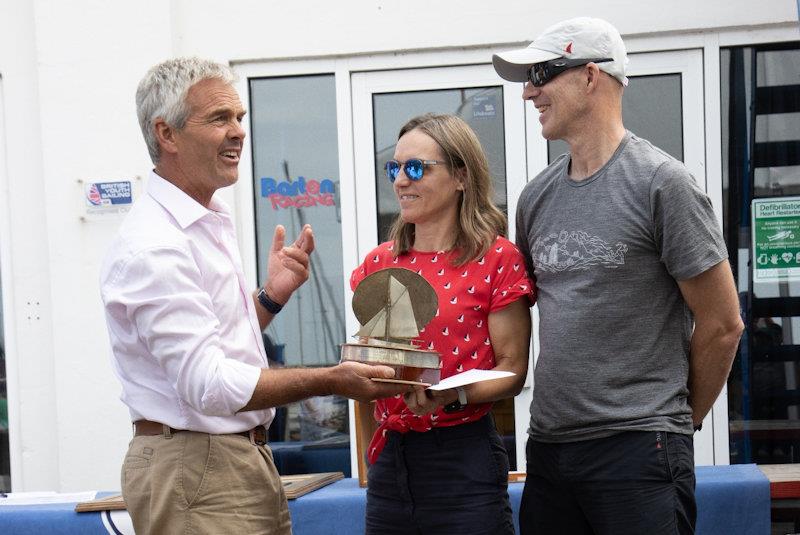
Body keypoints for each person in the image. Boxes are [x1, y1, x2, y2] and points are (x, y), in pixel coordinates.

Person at [99, 57, 409, 535]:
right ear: (167, 134)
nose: (239, 131)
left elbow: (211, 348)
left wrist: (269, 298)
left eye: (240, 117)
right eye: (220, 118)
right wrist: (333, 379)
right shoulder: (158, 243)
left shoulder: (203, 220)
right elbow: (207, 385)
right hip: (198, 462)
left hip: (219, 460)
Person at [492, 17, 744, 535]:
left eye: (541, 73)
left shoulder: (663, 184)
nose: (528, 92)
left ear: (590, 76)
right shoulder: (534, 198)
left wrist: (676, 422)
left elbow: (723, 324)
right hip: (549, 449)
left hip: (639, 450)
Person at [351, 113, 534, 535]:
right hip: (391, 458)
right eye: (393, 169)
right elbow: (376, 355)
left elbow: (511, 368)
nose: (400, 180)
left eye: (415, 168)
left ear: (461, 176)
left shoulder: (496, 259)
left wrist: (450, 396)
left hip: (462, 458)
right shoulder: (380, 262)